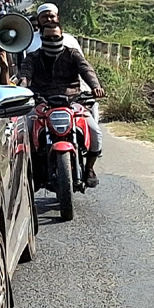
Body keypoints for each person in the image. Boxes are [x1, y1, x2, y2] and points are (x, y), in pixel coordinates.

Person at [18, 24, 105, 187]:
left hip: (73, 101)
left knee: (95, 132)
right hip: (42, 101)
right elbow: (25, 74)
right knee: (23, 133)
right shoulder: (33, 57)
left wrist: (96, 87)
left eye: (56, 37)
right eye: (48, 38)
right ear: (42, 39)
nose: (52, 40)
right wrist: (23, 85)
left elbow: (87, 70)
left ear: (62, 37)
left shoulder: (72, 54)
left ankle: (89, 168)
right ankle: (31, 169)